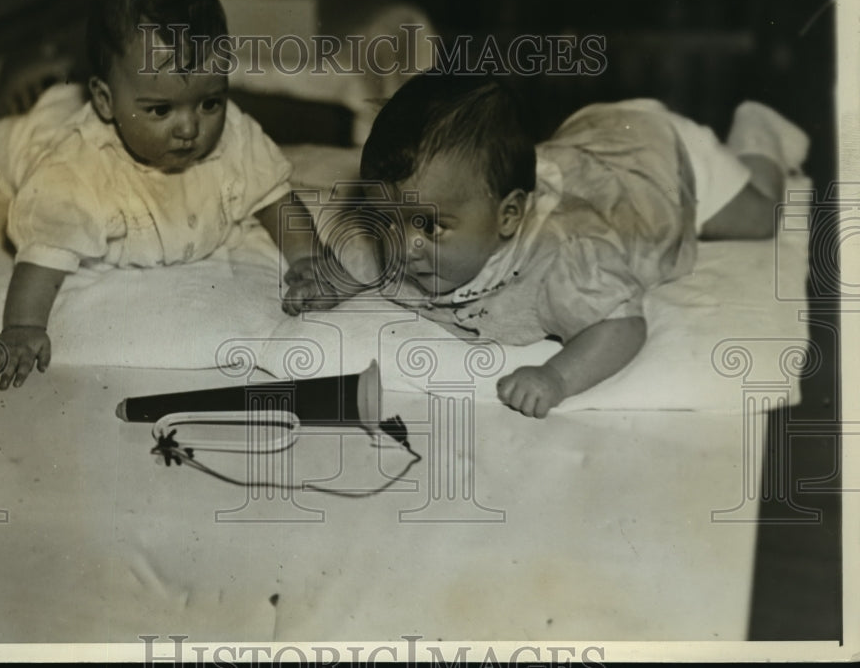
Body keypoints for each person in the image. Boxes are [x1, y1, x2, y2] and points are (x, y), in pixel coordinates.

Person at [284, 71, 808, 417]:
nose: (406, 248)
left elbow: (620, 325)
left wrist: (556, 377)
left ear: (509, 217)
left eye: (429, 226)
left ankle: (757, 131)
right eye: (389, 220)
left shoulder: (563, 262)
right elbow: (359, 254)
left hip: (657, 158)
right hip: (585, 136)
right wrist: (330, 278)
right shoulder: (398, 235)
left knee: (759, 215)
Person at [0, 0, 316, 390]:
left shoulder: (232, 136)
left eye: (209, 102)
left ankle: (31, 76)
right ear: (105, 102)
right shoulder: (75, 173)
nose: (189, 128)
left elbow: (277, 198)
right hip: (44, 142)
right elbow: (41, 259)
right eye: (161, 110)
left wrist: (306, 258)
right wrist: (23, 328)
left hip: (88, 103)